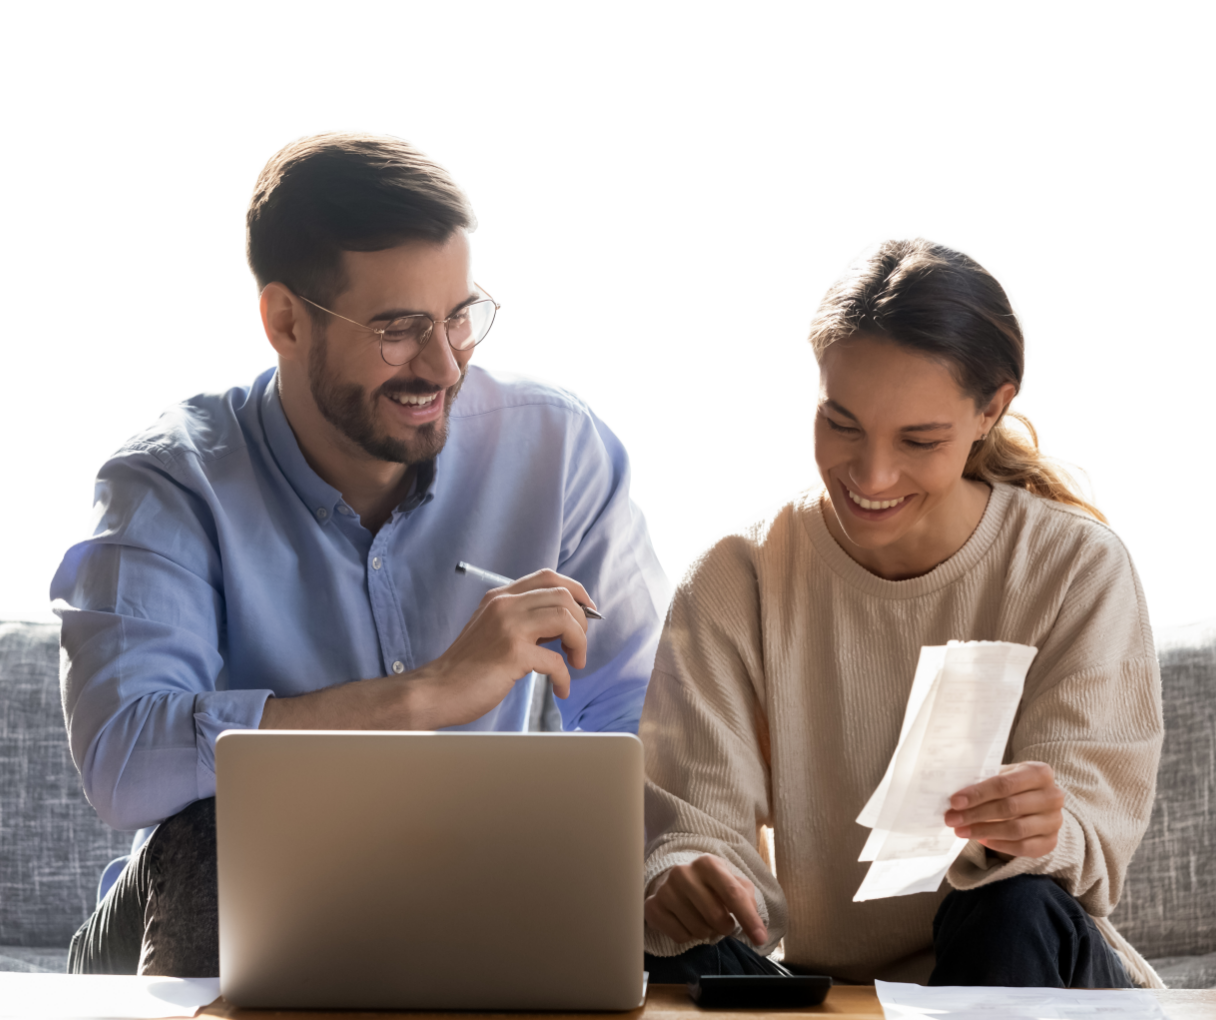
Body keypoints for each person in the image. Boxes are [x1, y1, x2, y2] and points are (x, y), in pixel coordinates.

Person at [53, 133, 668, 976]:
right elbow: (124, 762)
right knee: (216, 826)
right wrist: (422, 698)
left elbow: (644, 717)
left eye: (459, 317)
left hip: (464, 892)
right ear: (285, 319)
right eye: (398, 329)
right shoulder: (171, 481)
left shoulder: (557, 451)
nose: (444, 363)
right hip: (210, 905)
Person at [639, 239, 1164, 989]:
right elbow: (694, 825)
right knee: (650, 944)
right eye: (840, 424)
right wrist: (690, 878)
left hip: (1026, 971)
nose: (872, 476)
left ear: (992, 409)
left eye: (920, 440)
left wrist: (1046, 826)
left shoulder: (1073, 568)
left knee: (1011, 908)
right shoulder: (740, 578)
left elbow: (1089, 837)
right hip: (832, 989)